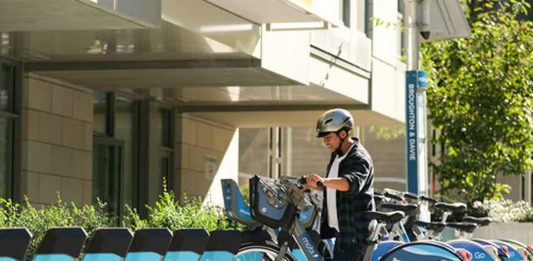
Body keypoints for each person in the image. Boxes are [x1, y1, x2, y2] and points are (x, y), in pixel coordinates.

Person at [305, 108, 376, 261]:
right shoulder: (337, 156)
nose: (326, 142)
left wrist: (324, 180)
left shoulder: (359, 158)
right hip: (341, 232)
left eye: (329, 137)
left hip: (355, 234)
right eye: (324, 138)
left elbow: (350, 184)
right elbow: (335, 188)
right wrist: (316, 186)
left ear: (343, 134)